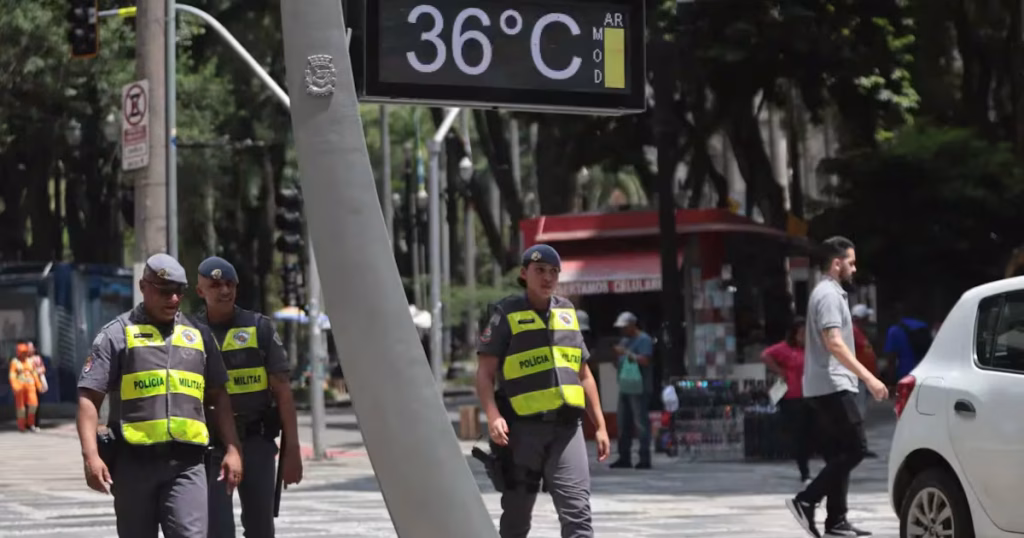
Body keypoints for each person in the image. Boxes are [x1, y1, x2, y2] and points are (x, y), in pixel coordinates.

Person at [76, 253, 245, 538]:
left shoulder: (199, 336)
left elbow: (218, 396)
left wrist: (233, 448)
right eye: (165, 291)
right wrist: (90, 456)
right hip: (133, 464)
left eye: (180, 291)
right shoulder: (117, 335)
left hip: (187, 465)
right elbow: (89, 398)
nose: (174, 299)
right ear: (143, 287)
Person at [476, 244, 610, 538]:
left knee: (578, 516)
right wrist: (493, 414)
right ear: (524, 274)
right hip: (523, 432)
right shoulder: (506, 313)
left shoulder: (567, 312)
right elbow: (485, 374)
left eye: (553, 272)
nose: (547, 277)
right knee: (517, 518)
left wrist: (599, 425)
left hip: (567, 429)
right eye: (540, 271)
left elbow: (583, 374)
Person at [786, 237, 888, 538]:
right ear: (836, 263)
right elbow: (834, 343)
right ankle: (806, 500)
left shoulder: (827, 293)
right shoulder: (829, 295)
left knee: (839, 453)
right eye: (851, 262)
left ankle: (836, 521)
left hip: (821, 385)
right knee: (856, 449)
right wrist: (868, 378)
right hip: (833, 384)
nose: (854, 269)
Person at [195, 256, 304, 538]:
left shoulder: (259, 327)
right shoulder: (190, 332)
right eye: (216, 284)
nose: (224, 290)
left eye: (230, 283)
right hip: (212, 446)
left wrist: (292, 450)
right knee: (217, 530)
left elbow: (283, 393)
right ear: (200, 291)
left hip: (257, 441)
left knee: (260, 529)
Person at [761, 316, 813, 484]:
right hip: (793, 396)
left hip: (812, 394)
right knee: (800, 435)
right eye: (802, 333)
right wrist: (779, 371)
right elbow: (766, 355)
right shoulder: (785, 349)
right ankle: (804, 471)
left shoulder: (812, 349)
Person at [608, 311, 655, 470]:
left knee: (640, 422)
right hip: (625, 385)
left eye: (624, 327)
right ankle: (624, 457)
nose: (622, 330)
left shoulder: (644, 340)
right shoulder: (625, 340)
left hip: (639, 387)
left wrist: (626, 353)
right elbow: (620, 362)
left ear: (632, 325)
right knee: (623, 422)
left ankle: (644, 457)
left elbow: (645, 360)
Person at [850, 305, 879, 459]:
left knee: (861, 413)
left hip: (864, 378)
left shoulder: (860, 333)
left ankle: (860, 444)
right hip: (857, 379)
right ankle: (858, 446)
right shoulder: (852, 332)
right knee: (858, 414)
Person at [883, 302, 932, 383]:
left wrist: (890, 381)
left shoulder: (894, 331)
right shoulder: (923, 326)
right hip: (924, 373)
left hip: (905, 375)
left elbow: (891, 359)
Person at [9, 341, 42, 432]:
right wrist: (15, 386)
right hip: (20, 388)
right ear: (19, 353)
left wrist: (38, 385)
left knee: (33, 405)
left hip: (31, 387)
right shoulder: (15, 362)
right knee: (21, 408)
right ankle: (21, 426)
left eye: (25, 352)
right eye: (23, 352)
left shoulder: (30, 361)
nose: (25, 354)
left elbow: (35, 374)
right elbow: (12, 376)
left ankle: (31, 424)